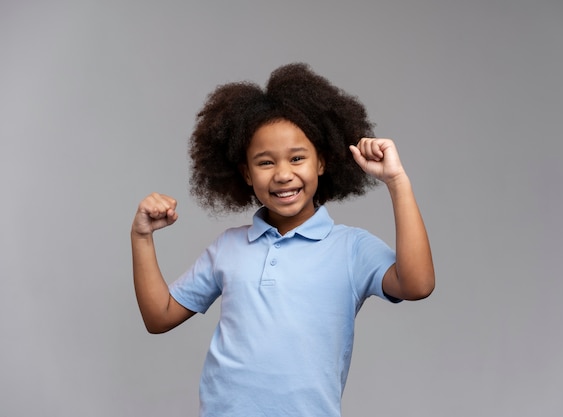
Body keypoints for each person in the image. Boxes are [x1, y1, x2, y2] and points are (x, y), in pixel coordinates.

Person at [131, 63, 434, 417]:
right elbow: (159, 316)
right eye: (265, 162)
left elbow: (418, 284)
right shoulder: (228, 247)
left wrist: (397, 181)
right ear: (245, 173)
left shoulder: (351, 249)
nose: (283, 174)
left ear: (321, 161)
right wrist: (141, 237)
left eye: (297, 158)